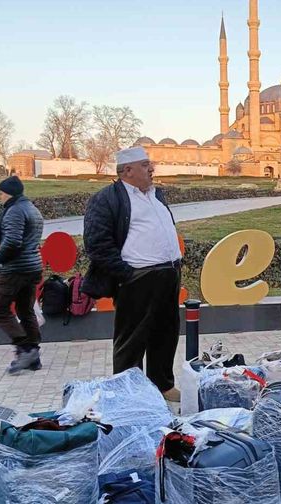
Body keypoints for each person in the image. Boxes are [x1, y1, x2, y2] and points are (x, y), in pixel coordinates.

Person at [82, 146, 183, 402]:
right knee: (132, 340)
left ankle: (162, 385)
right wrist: (126, 274)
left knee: (165, 334)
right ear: (127, 170)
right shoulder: (107, 199)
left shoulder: (155, 195)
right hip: (137, 278)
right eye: (145, 164)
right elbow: (97, 244)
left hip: (168, 275)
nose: (152, 169)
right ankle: (130, 394)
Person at [0, 176, 45, 375]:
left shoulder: (15, 211)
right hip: (32, 268)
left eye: (1, 193)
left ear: (10, 193)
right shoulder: (32, 209)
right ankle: (34, 357)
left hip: (15, 269)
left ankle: (25, 349)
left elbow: (12, 241)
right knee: (25, 310)